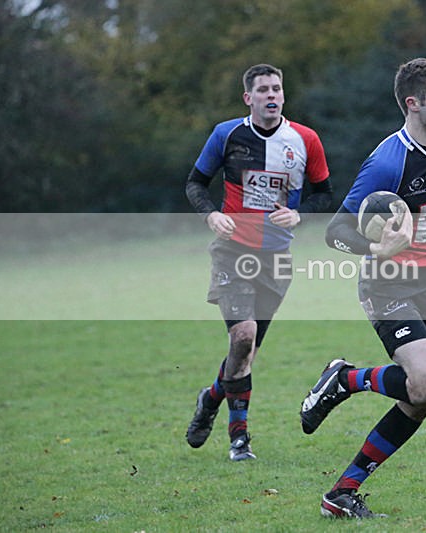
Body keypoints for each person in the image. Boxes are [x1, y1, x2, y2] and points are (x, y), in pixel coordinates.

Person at [300, 55, 426, 518]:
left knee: (424, 396)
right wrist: (377, 251)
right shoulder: (387, 162)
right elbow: (336, 231)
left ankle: (342, 491)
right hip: (387, 286)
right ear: (414, 104)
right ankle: (346, 378)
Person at [185, 63, 332, 461]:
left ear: (283, 95)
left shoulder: (305, 139)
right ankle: (239, 440)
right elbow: (195, 183)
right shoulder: (227, 134)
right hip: (232, 251)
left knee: (245, 353)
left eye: (277, 88)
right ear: (248, 98)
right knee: (243, 336)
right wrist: (211, 214)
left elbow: (325, 195)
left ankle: (211, 398)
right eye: (263, 89)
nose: (272, 95)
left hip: (276, 258)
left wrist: (301, 215)